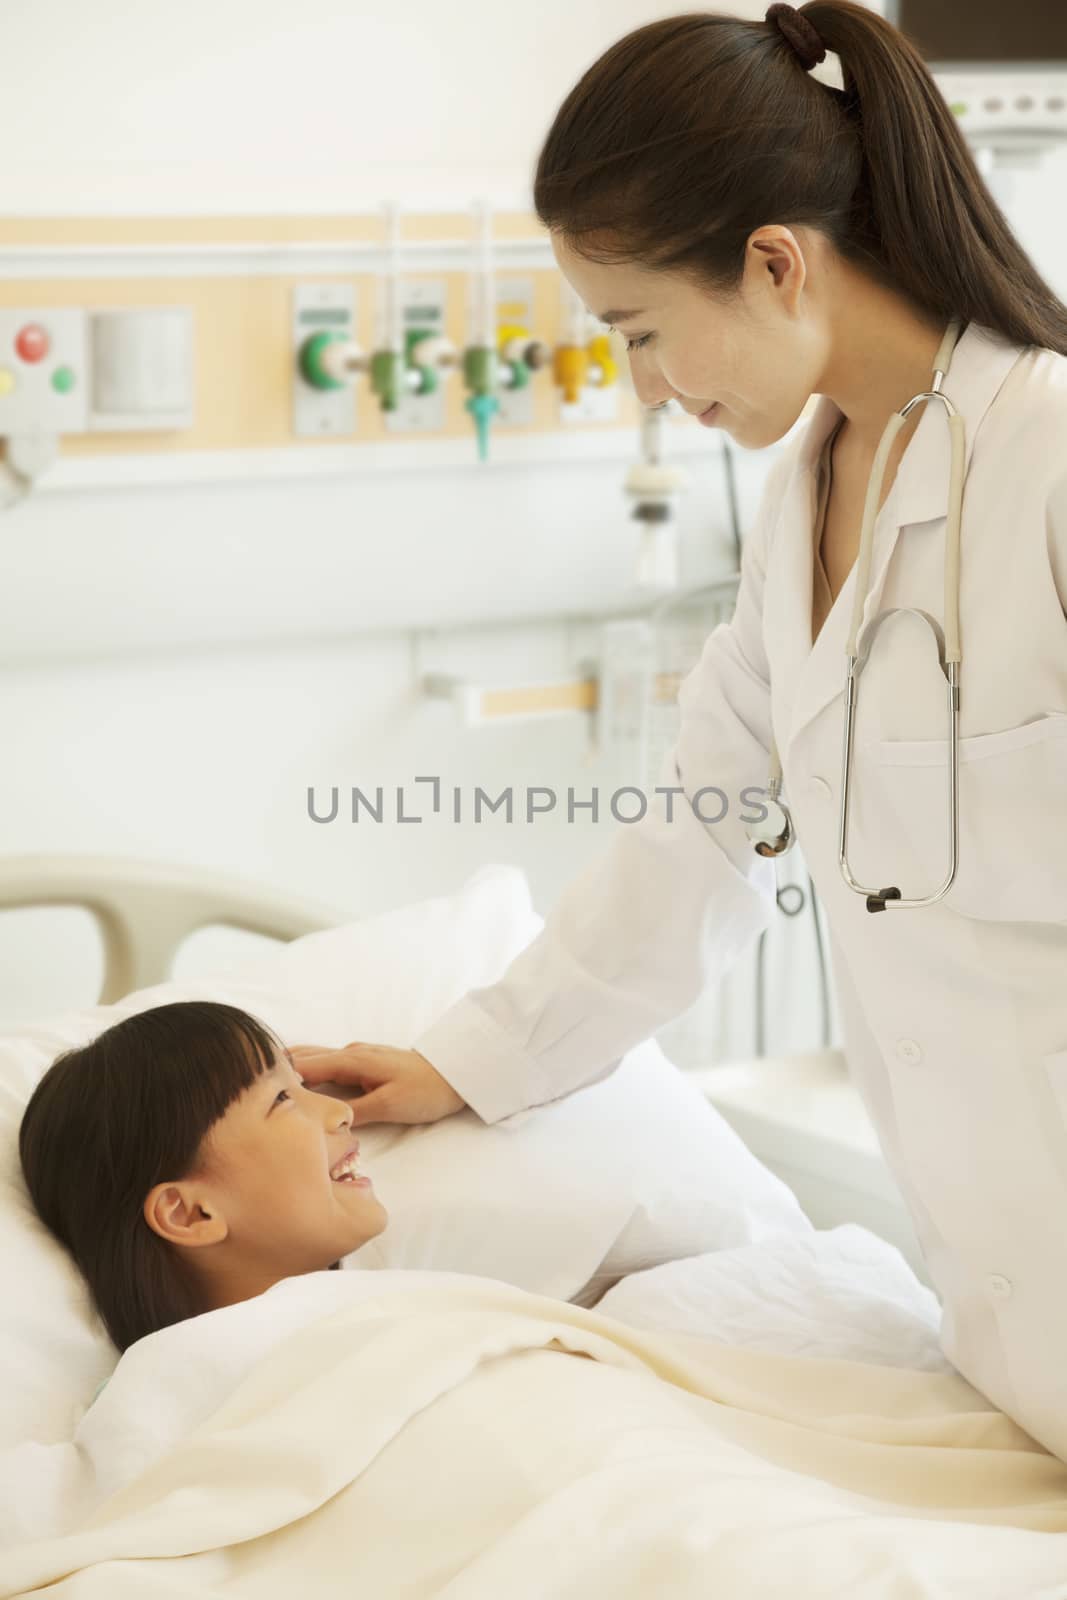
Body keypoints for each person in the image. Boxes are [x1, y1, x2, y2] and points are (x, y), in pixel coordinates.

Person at [295, 2, 1067, 1464]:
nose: (645, 389)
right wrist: (471, 1059)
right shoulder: (801, 509)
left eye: (639, 331)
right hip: (1002, 1328)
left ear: (773, 260)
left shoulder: (1047, 456)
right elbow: (694, 834)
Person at [17, 1001, 387, 1354]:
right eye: (281, 1098)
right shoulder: (168, 1402)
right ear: (190, 1214)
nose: (341, 1111)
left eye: (303, 1084)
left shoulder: (390, 1314)